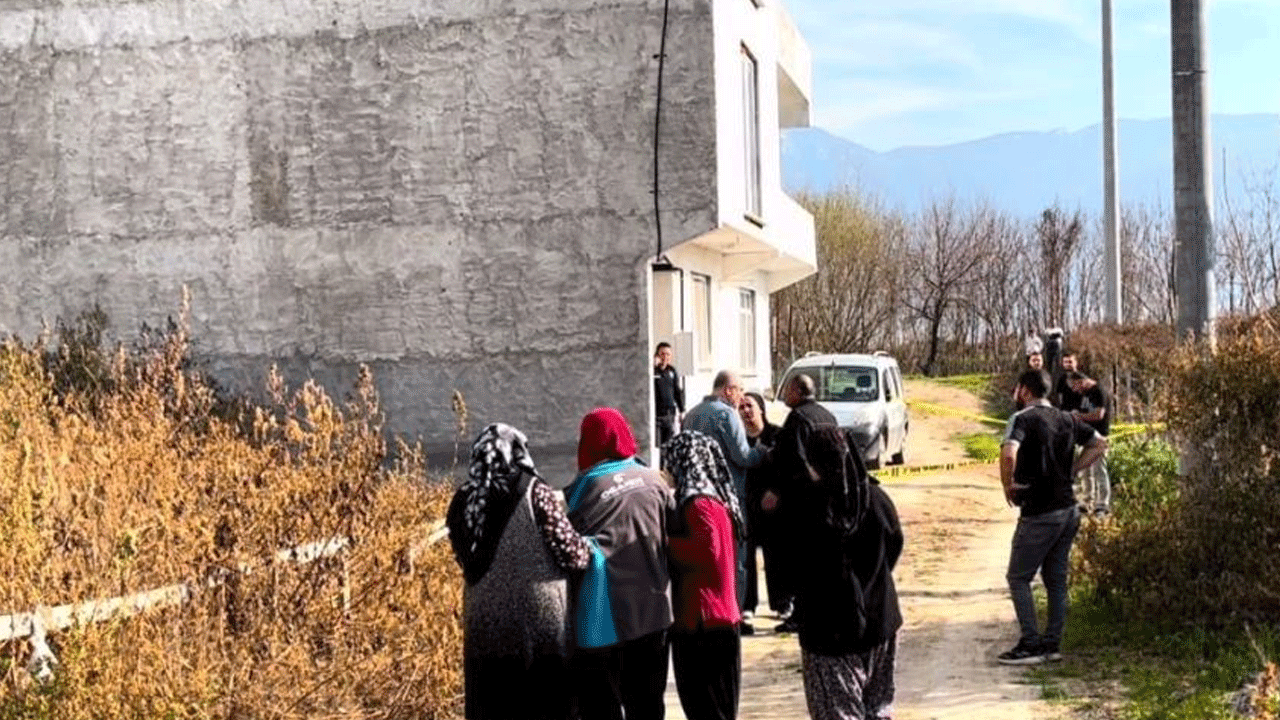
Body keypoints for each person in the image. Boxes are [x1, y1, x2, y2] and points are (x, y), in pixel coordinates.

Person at [446, 424, 590, 720]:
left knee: (494, 704)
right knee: (544, 704)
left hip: (485, 621)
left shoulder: (462, 500)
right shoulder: (535, 491)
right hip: (540, 623)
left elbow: (462, 557)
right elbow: (572, 554)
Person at [565, 408, 675, 720]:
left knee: (603, 705)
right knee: (648, 703)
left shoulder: (584, 488)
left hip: (604, 616)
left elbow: (567, 541)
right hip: (654, 610)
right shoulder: (654, 479)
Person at [792, 426, 903, 720]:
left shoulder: (808, 508)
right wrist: (872, 580)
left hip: (829, 632)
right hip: (879, 620)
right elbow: (894, 545)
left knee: (838, 713)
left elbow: (794, 568)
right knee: (878, 709)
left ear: (813, 462)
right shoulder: (876, 499)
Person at [998, 369, 1108, 665]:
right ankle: (1052, 644)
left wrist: (1008, 485)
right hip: (1069, 510)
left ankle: (1030, 643)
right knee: (1056, 579)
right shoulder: (1068, 419)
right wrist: (1073, 470)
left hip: (1039, 512)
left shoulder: (1021, 419)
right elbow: (1100, 443)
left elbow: (1008, 454)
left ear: (1024, 390)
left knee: (1018, 577)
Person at [662, 431, 746, 720]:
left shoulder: (698, 503)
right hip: (720, 616)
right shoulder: (718, 500)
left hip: (702, 620)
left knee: (705, 707)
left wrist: (663, 543)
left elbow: (706, 552)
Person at [682, 371, 766, 634]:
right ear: (728, 390)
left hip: (696, 496)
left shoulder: (691, 415)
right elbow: (742, 456)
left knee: (709, 559)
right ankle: (735, 614)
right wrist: (763, 449)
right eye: (739, 390)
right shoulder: (726, 415)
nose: (741, 397)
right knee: (735, 558)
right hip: (728, 496)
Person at [760, 374, 837, 633]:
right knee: (819, 561)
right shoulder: (827, 415)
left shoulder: (799, 419)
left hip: (801, 503)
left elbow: (792, 461)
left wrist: (776, 491)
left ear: (797, 391)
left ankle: (801, 615)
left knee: (800, 562)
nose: (785, 396)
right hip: (827, 500)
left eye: (788, 390)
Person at [738, 391, 791, 629]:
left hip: (774, 507)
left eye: (750, 406)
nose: (746, 411)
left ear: (761, 409)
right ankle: (747, 605)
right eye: (741, 407)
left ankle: (781, 602)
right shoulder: (738, 440)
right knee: (746, 556)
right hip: (747, 506)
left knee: (777, 555)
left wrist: (776, 492)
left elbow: (788, 469)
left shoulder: (777, 435)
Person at [1067, 371, 1112, 515]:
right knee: (1085, 471)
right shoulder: (1084, 394)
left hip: (1100, 437)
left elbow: (1099, 414)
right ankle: (1087, 501)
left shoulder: (1099, 391)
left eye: (1075, 386)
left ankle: (1102, 504)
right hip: (1086, 437)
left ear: (1081, 381)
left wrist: (1079, 416)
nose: (1075, 390)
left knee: (1099, 470)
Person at [654, 342, 685, 446]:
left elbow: (677, 391)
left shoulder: (672, 371)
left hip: (669, 415)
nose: (665, 357)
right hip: (656, 415)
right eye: (662, 354)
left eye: (668, 354)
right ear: (657, 355)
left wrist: (682, 410)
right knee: (657, 444)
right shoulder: (653, 371)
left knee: (668, 444)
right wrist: (653, 365)